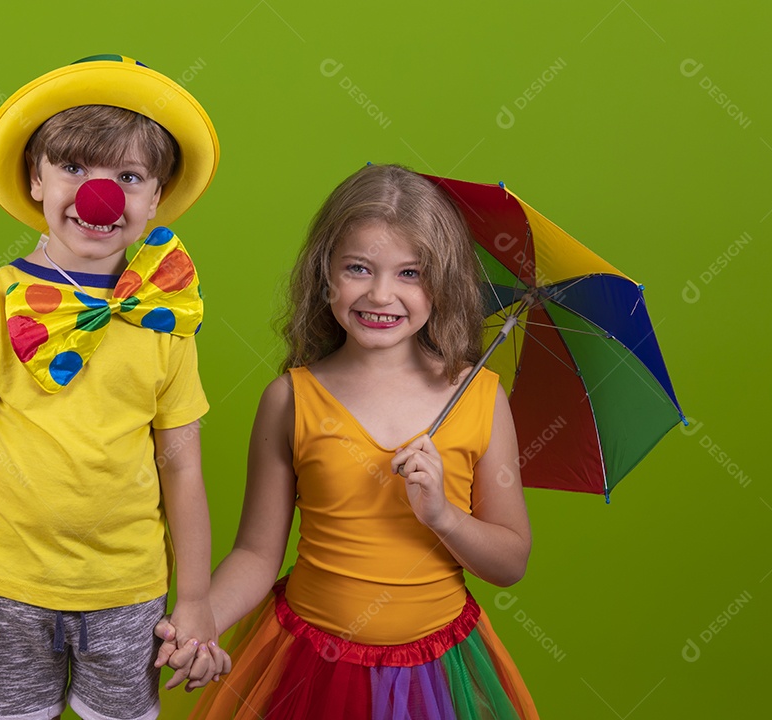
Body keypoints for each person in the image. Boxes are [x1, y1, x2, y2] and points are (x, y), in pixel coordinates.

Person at [158, 164, 539, 718]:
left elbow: (511, 562)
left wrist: (443, 515)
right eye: (359, 268)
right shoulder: (290, 399)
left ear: (445, 282)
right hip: (309, 658)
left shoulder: (481, 397)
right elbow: (256, 555)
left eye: (411, 273)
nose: (382, 293)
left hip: (436, 672)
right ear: (325, 275)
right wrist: (197, 625)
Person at [0, 54, 223, 720]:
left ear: (155, 198)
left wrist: (196, 596)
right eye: (74, 168)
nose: (100, 195)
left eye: (129, 176)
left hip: (130, 593)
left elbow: (182, 463)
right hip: (9, 591)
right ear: (36, 178)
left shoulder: (165, 316)